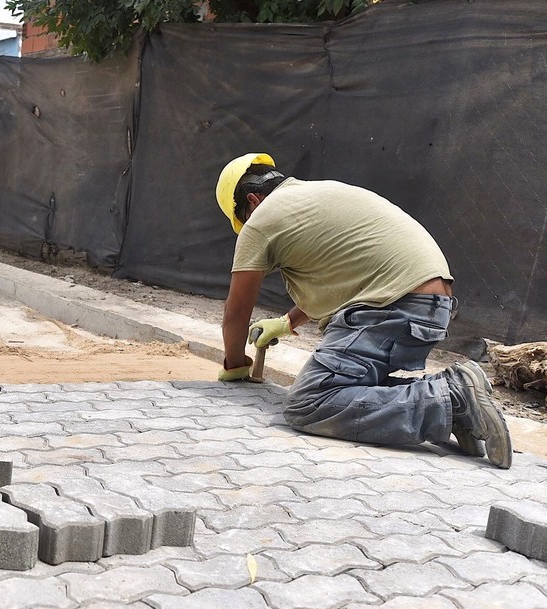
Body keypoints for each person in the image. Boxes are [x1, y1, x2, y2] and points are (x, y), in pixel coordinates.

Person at [214, 153, 512, 468]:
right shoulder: (316, 194)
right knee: (350, 389)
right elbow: (344, 277)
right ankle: (458, 411)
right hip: (429, 306)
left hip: (394, 305)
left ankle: (450, 398)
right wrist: (287, 322)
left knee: (309, 402)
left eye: (243, 219)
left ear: (253, 201)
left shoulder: (261, 220)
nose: (246, 227)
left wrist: (236, 365)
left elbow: (236, 312)